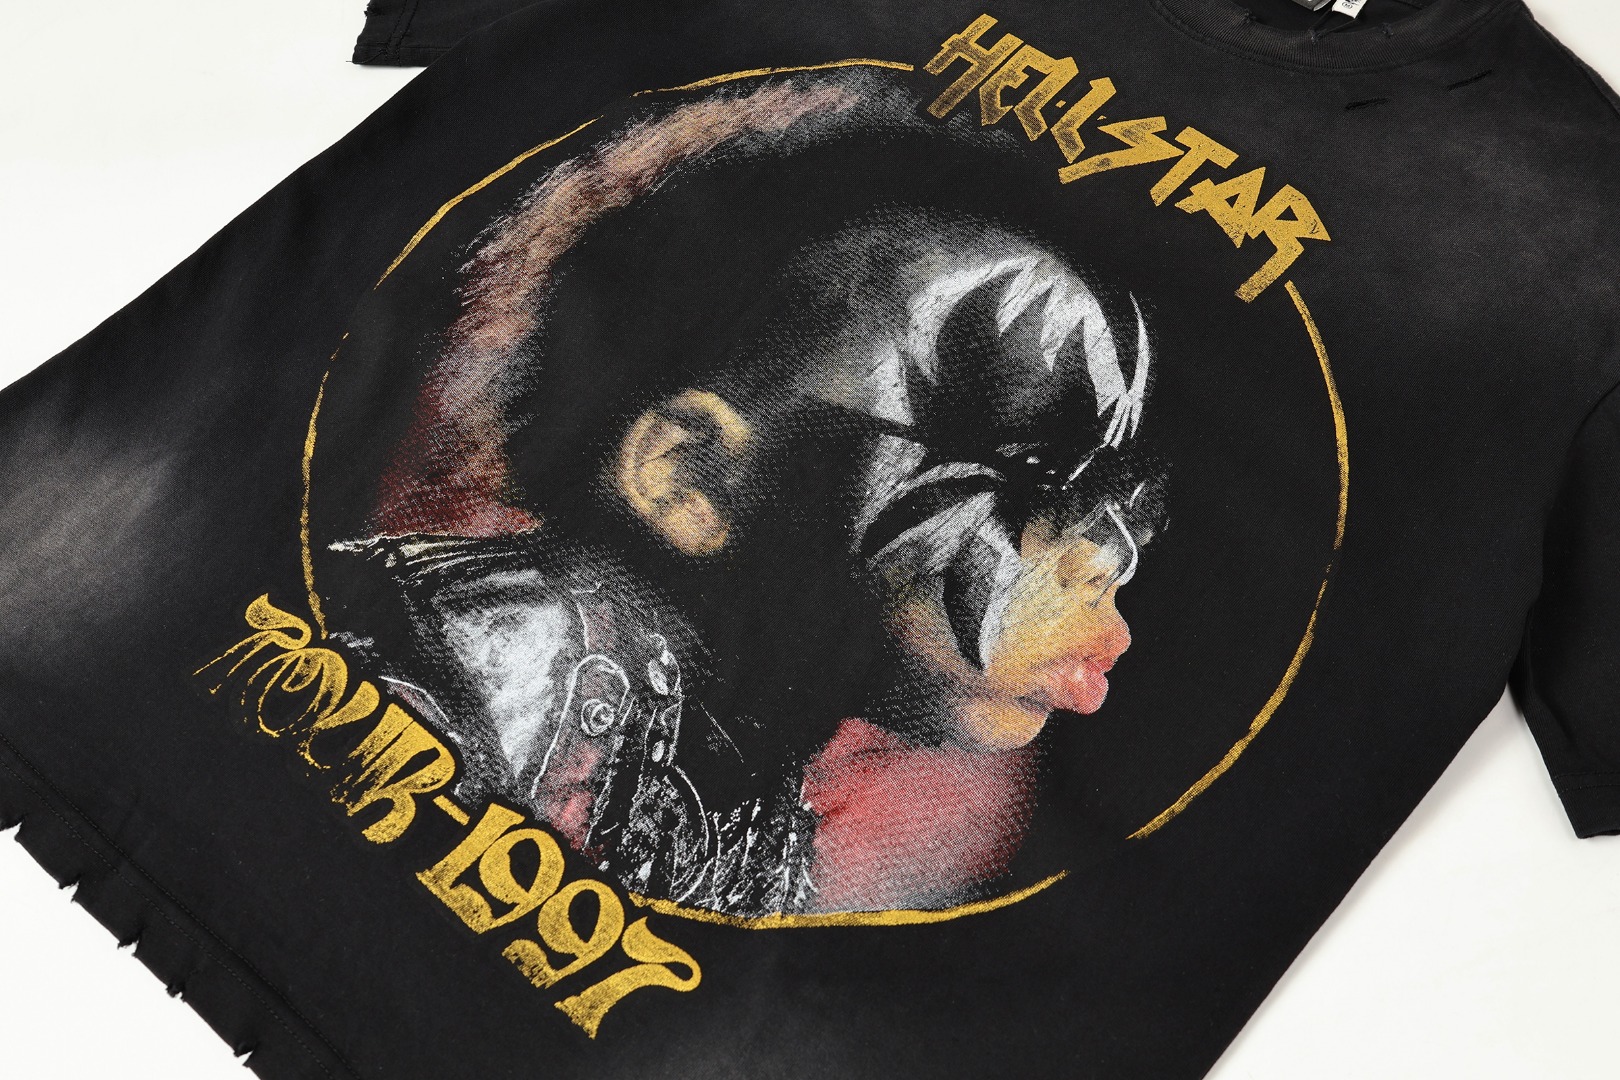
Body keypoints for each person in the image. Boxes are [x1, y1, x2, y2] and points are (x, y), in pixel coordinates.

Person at [327, 71, 1164, 916]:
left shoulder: (753, 807)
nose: (1106, 557)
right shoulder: (481, 662)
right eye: (1037, 480)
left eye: (1122, 506)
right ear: (690, 475)